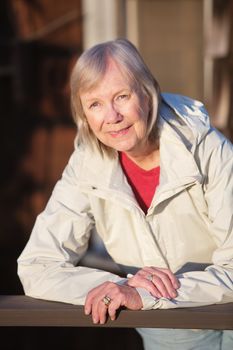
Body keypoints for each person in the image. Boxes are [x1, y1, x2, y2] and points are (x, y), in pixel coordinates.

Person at [18, 39, 233, 350]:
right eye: (95, 104)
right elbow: (37, 265)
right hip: (166, 328)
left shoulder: (208, 150)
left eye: (121, 96)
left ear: (148, 93)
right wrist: (119, 287)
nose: (112, 116)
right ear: (84, 115)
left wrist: (146, 294)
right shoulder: (86, 164)